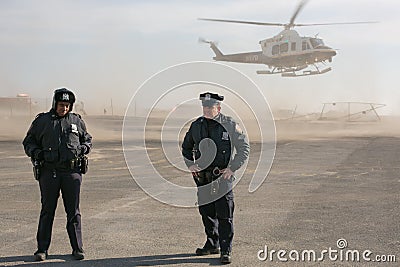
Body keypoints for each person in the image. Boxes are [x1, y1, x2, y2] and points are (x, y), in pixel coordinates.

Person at [22, 88, 92, 261]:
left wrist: (84, 149)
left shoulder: (76, 121)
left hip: (72, 173)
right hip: (49, 172)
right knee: (47, 211)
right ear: (55, 104)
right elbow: (28, 142)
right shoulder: (42, 121)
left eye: (67, 105)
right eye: (61, 105)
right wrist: (37, 153)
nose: (64, 109)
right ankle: (42, 249)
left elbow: (88, 140)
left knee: (73, 212)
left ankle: (77, 248)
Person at [181, 92, 250, 264]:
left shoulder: (230, 124)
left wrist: (232, 168)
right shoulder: (196, 126)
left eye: (210, 107)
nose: (207, 109)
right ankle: (212, 244)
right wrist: (191, 164)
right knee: (207, 212)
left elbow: (244, 148)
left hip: (222, 178)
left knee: (224, 214)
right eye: (204, 106)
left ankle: (225, 250)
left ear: (218, 108)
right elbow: (186, 147)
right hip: (203, 178)